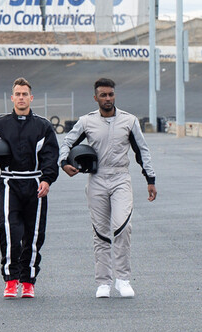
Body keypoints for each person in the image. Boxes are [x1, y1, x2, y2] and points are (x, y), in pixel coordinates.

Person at [59, 78, 157, 299]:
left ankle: (123, 279)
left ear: (115, 96)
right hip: (97, 178)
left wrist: (150, 179)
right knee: (100, 232)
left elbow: (142, 150)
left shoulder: (129, 121)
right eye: (103, 95)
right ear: (96, 98)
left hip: (121, 177)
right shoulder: (86, 122)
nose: (108, 98)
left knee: (123, 227)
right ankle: (103, 282)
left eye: (111, 94)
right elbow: (67, 143)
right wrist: (64, 163)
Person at [0, 77, 59, 299]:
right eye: (17, 94)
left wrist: (47, 179)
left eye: (24, 94)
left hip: (35, 182)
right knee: (10, 231)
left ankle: (28, 281)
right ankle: (11, 280)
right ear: (12, 98)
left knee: (34, 233)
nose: (21, 98)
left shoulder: (43, 126)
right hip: (9, 182)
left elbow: (51, 156)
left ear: (31, 97)